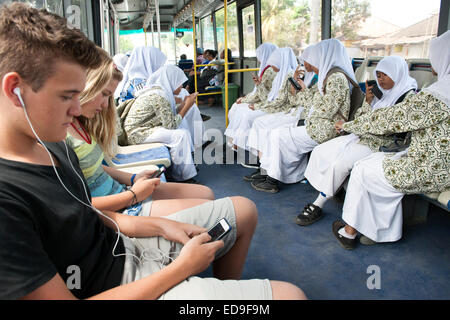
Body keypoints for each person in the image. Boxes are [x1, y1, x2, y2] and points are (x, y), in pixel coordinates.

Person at [0, 2, 306, 300]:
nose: (79, 109)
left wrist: (164, 225)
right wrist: (181, 268)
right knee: (291, 296)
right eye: (67, 96)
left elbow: (98, 215)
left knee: (244, 210)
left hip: (127, 246)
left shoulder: (51, 143)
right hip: (117, 284)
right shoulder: (8, 199)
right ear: (15, 90)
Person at [330, 30, 449, 250]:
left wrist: (348, 125)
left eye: (435, 59)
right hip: (439, 162)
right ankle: (377, 229)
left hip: (432, 169)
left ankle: (350, 232)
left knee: (362, 170)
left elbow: (388, 120)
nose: (433, 67)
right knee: (373, 169)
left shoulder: (437, 95)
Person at [66, 48, 215, 219]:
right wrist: (133, 195)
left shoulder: (83, 126)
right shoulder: (62, 137)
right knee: (214, 205)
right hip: (124, 202)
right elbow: (80, 203)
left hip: (122, 191)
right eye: (105, 95)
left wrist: (134, 178)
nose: (107, 105)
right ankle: (184, 175)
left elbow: (95, 169)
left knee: (207, 194)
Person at [296, 55, 417, 226]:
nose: (380, 80)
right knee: (321, 151)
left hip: (381, 143)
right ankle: (334, 189)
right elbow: (361, 117)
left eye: (385, 75)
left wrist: (350, 126)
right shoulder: (381, 96)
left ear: (397, 74)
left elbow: (383, 126)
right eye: (379, 75)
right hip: (360, 135)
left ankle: (318, 203)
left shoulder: (407, 98)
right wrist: (368, 102)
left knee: (339, 163)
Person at [250, 39, 355, 193]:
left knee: (277, 136)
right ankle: (270, 172)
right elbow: (314, 101)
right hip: (316, 123)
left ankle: (273, 179)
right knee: (276, 134)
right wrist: (302, 92)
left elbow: (326, 110)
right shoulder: (329, 77)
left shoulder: (336, 79)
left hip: (325, 128)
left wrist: (304, 93)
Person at [119, 65, 199, 182]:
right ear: (171, 80)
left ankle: (184, 171)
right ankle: (183, 177)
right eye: (179, 83)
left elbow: (168, 117)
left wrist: (183, 105)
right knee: (180, 135)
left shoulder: (160, 91)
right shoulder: (159, 95)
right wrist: (187, 106)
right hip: (137, 134)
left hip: (140, 130)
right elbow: (171, 125)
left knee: (181, 132)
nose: (181, 87)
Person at [245, 45, 318, 164]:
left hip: (298, 114)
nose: (304, 64)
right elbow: (293, 99)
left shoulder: (310, 78)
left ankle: (265, 164)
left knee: (266, 126)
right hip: (293, 110)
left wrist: (297, 85)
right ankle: (262, 162)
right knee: (260, 122)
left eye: (306, 61)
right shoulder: (297, 76)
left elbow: (287, 101)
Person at [224, 47, 298, 154]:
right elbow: (270, 97)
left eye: (273, 64)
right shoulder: (280, 75)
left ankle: (238, 146)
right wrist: (259, 85)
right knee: (242, 112)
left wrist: (258, 106)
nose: (272, 67)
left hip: (278, 108)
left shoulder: (289, 76)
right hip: (271, 104)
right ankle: (236, 143)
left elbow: (280, 101)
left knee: (247, 116)